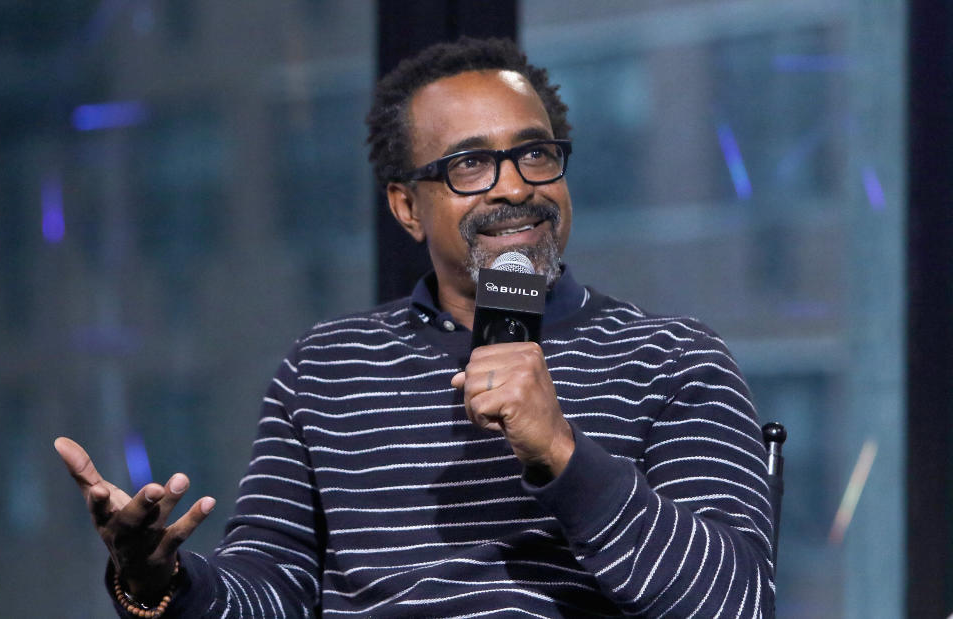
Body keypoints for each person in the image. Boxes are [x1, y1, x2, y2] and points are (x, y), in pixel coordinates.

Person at [56, 37, 774, 618]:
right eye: (470, 164)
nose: (516, 184)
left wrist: (561, 450)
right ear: (406, 207)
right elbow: (268, 588)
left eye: (535, 153)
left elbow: (733, 599)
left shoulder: (671, 356)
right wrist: (162, 583)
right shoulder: (325, 367)